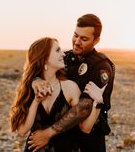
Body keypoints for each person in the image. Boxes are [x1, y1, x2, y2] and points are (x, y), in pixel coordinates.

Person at [29, 14, 115, 152]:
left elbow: (83, 108)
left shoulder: (101, 67)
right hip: (65, 138)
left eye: (84, 39)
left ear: (96, 40)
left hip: (89, 136)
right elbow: (42, 70)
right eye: (75, 35)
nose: (77, 42)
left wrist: (48, 133)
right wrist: (36, 80)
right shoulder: (65, 58)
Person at [9, 37, 106, 152]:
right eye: (57, 50)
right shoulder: (32, 87)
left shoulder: (70, 87)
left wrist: (98, 104)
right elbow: (22, 130)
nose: (63, 54)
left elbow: (86, 127)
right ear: (44, 59)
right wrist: (36, 101)